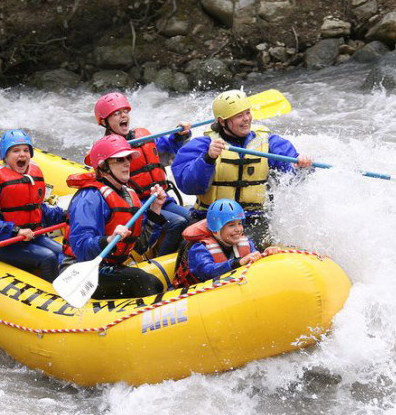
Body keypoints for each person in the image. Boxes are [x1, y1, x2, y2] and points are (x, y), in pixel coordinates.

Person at [171, 89, 313, 248]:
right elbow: (188, 185)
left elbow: (292, 178)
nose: (247, 119)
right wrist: (207, 159)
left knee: (249, 247)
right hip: (211, 219)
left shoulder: (269, 143)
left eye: (247, 113)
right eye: (239, 116)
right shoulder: (202, 145)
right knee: (194, 250)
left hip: (252, 219)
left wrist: (301, 167)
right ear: (222, 122)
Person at [62, 134, 168, 299]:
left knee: (155, 283)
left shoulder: (128, 195)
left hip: (108, 267)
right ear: (103, 166)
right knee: (139, 280)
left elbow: (140, 246)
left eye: (127, 158)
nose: (127, 163)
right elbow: (81, 248)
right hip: (81, 270)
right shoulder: (89, 198)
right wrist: (107, 240)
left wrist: (155, 209)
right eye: (119, 160)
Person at [91, 92, 192, 256]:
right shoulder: (106, 149)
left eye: (125, 111)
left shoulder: (142, 136)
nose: (123, 115)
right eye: (117, 113)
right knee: (177, 223)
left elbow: (166, 147)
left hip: (160, 198)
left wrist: (180, 135)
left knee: (190, 218)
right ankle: (163, 261)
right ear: (105, 122)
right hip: (137, 205)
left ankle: (183, 256)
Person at [0, 129, 66, 282]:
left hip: (34, 236)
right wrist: (16, 231)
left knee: (63, 253)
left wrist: (65, 215)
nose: (22, 154)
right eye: (16, 151)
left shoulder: (32, 178)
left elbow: (40, 210)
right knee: (48, 258)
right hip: (6, 244)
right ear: (5, 156)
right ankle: (55, 296)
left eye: (26, 150)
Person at [174, 199, 277, 286]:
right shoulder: (199, 248)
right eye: (231, 225)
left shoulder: (246, 243)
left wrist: (266, 256)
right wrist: (237, 262)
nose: (238, 229)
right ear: (216, 229)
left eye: (239, 223)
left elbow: (254, 262)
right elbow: (207, 272)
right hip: (195, 296)